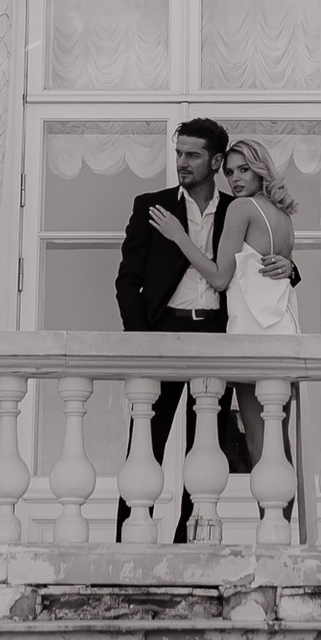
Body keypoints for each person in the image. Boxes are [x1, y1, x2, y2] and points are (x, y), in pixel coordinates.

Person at [112, 119, 295, 542]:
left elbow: (260, 259)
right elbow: (127, 280)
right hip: (162, 336)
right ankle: (126, 539)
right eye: (179, 153)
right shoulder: (152, 206)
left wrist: (291, 267)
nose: (182, 162)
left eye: (192, 155)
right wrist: (139, 340)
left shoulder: (238, 206)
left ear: (215, 162)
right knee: (145, 442)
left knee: (206, 444)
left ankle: (189, 542)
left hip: (217, 334)